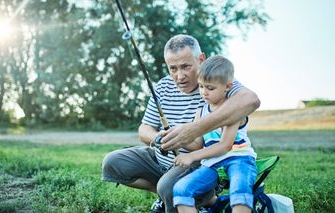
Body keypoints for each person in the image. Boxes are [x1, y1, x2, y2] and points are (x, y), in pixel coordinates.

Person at [101, 34, 260, 213]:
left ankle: (189, 196)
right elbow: (144, 129)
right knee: (112, 162)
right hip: (160, 158)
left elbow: (251, 100)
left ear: (201, 59)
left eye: (186, 67)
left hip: (196, 164)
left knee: (168, 187)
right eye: (173, 68)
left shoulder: (216, 82)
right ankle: (169, 196)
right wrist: (159, 139)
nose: (179, 76)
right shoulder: (162, 86)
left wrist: (192, 131)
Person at [173, 55, 257, 213]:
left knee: (239, 191)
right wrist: (176, 138)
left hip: (238, 159)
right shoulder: (201, 111)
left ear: (227, 86)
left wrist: (191, 157)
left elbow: (225, 146)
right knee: (181, 189)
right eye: (201, 86)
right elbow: (196, 143)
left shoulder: (233, 110)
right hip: (212, 164)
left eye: (210, 88)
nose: (204, 92)